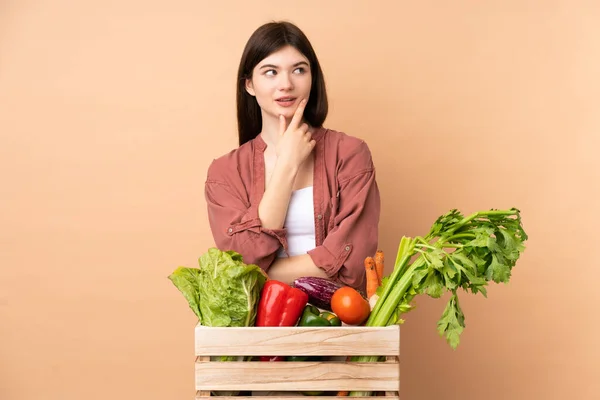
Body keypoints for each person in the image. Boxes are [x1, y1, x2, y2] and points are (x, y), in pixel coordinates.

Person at [204, 20, 380, 294]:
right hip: (258, 328)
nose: (286, 84)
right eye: (270, 72)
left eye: (299, 70)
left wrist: (261, 272)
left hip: (336, 322)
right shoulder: (225, 172)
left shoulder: (350, 154)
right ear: (249, 84)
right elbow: (240, 259)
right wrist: (287, 164)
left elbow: (354, 264)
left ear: (313, 78)